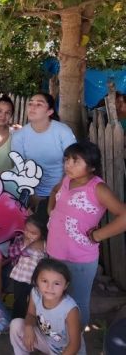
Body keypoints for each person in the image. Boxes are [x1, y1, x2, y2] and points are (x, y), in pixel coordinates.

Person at [47, 140, 126, 328]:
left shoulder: (98, 188)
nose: (68, 165)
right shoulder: (67, 180)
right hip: (54, 252)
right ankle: (57, 337)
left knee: (77, 303)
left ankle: (75, 343)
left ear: (91, 166)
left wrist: (98, 235)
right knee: (56, 298)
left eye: (76, 161)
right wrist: (51, 210)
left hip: (80, 259)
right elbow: (54, 190)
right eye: (66, 160)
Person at [11, 92, 76, 221]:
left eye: (39, 104)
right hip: (30, 193)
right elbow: (20, 167)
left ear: (50, 111)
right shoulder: (19, 135)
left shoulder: (63, 131)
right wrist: (32, 194)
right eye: (31, 104)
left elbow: (73, 164)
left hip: (62, 190)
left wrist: (57, 192)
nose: (32, 107)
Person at [9, 259, 85, 355]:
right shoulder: (36, 293)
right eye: (45, 281)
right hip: (48, 342)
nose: (50, 287)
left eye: (56, 283)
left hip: (67, 351)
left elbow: (75, 345)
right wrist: (28, 327)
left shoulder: (70, 309)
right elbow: (31, 314)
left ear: (65, 285)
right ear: (36, 281)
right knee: (16, 325)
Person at [8, 214, 47, 319]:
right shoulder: (20, 240)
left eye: (33, 233)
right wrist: (24, 245)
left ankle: (32, 321)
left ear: (42, 234)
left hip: (36, 280)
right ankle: (16, 320)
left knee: (35, 300)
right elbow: (11, 254)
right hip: (20, 277)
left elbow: (47, 263)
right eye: (26, 230)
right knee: (19, 300)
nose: (28, 234)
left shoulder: (45, 245)